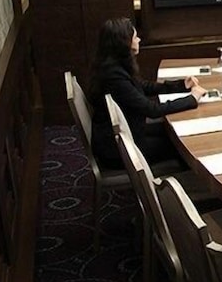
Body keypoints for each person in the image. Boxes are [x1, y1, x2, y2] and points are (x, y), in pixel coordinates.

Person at [88, 18, 206, 169]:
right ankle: (185, 181)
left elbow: (143, 86)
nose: (139, 40)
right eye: (135, 37)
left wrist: (181, 85)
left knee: (178, 131)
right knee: (185, 146)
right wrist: (192, 99)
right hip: (118, 149)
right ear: (124, 43)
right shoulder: (113, 77)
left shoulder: (113, 66)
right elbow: (152, 110)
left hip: (128, 131)